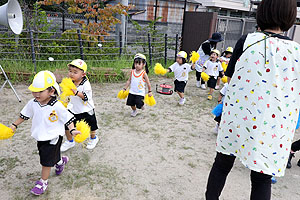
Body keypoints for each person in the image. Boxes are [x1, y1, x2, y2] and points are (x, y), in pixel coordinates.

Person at [205, 0, 300, 199]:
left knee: (222, 165)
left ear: (261, 13)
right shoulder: (297, 51)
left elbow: (230, 78)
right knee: (262, 179)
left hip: (239, 116)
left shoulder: (246, 41)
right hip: (275, 124)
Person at [9, 71, 80, 196]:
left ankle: (43, 182)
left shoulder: (57, 106)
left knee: (45, 161)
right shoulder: (33, 103)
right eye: (34, 91)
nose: (36, 94)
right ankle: (60, 162)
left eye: (40, 91)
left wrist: (73, 130)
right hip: (40, 137)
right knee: (49, 154)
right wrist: (14, 125)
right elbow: (25, 115)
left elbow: (67, 118)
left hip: (53, 137)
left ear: (51, 91)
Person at [60, 59, 99, 151]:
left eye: (75, 72)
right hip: (73, 109)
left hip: (86, 110)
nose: (71, 74)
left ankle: (93, 138)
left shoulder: (86, 84)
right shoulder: (70, 82)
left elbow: (86, 97)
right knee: (68, 126)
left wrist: (76, 92)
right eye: (70, 71)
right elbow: (68, 95)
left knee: (91, 126)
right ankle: (70, 141)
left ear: (83, 74)